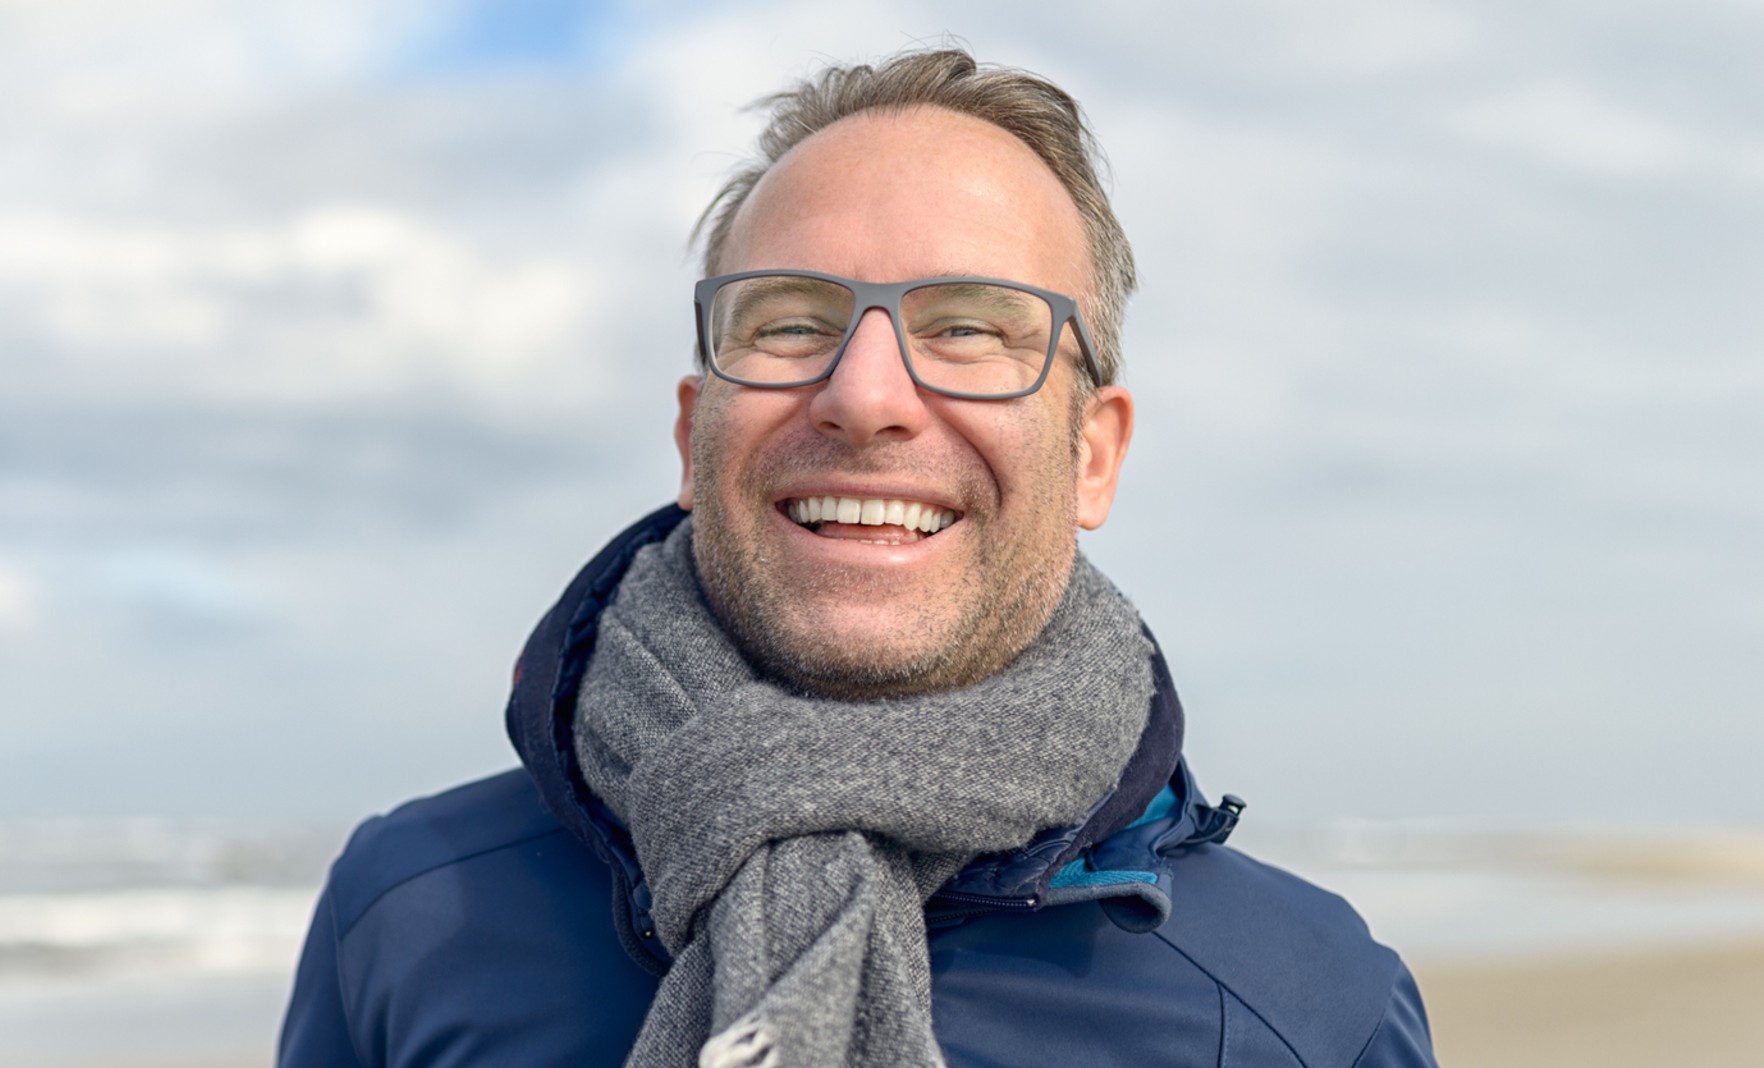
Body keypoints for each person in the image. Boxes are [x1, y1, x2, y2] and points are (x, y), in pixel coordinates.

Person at [279, 48, 1437, 1067]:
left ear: (1094, 455)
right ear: (692, 434)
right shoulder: (408, 915)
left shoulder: (1311, 1013)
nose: (867, 395)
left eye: (971, 327)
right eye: (789, 321)